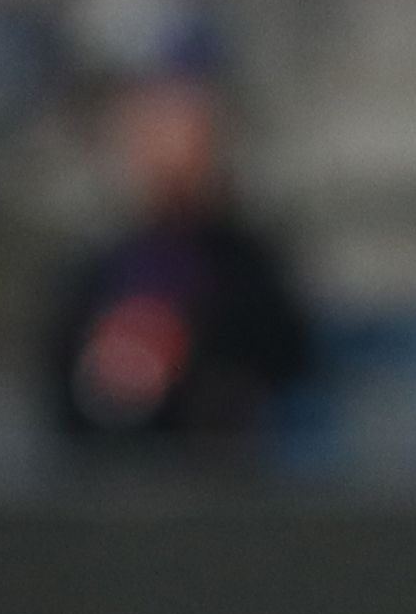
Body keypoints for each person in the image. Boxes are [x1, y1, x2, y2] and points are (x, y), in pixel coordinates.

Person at [42, 76, 310, 458]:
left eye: (190, 145)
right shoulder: (100, 263)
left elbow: (285, 359)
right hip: (108, 466)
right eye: (154, 142)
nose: (170, 163)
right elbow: (62, 373)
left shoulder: (246, 262)